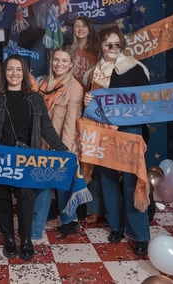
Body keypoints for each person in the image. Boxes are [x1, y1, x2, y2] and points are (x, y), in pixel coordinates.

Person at [0, 55, 68, 261]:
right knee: (2, 197)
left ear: (24, 73)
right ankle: (8, 238)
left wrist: (64, 149)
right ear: (4, 73)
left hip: (27, 159)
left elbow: (47, 129)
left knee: (26, 196)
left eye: (18, 70)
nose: (14, 74)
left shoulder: (35, 99)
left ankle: (25, 240)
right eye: (9, 70)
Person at [83, 25, 151, 256]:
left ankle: (140, 234)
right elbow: (91, 106)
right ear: (101, 46)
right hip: (103, 130)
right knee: (108, 178)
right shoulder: (95, 73)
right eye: (108, 44)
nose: (112, 48)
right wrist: (88, 99)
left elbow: (150, 99)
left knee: (132, 179)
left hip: (129, 128)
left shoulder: (135, 68)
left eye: (116, 44)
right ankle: (115, 227)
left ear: (121, 45)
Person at [32, 46, 84, 240]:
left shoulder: (75, 87)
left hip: (61, 143)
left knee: (55, 184)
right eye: (56, 60)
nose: (59, 64)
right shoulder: (45, 83)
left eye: (64, 61)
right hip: (42, 142)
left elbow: (71, 122)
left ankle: (48, 226)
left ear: (71, 64)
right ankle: (65, 220)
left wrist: (63, 150)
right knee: (52, 183)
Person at [70, 15, 104, 224]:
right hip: (74, 106)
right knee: (77, 157)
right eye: (77, 26)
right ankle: (76, 208)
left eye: (83, 26)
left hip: (92, 106)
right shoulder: (69, 49)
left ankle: (94, 208)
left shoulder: (97, 50)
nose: (80, 29)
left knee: (92, 155)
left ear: (89, 29)